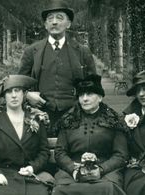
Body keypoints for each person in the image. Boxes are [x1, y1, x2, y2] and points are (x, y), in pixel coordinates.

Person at [44, 74, 128, 195]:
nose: (85, 98)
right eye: (81, 94)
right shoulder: (68, 119)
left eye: (90, 94)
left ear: (100, 96)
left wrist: (102, 169)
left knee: (107, 190)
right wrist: (73, 168)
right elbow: (60, 152)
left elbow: (121, 155)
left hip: (106, 169)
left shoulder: (114, 120)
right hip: (72, 169)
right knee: (61, 192)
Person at [18, 0, 96, 135]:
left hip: (75, 117)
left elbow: (94, 87)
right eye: (50, 19)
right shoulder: (32, 51)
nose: (54, 22)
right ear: (45, 24)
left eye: (59, 18)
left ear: (68, 24)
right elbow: (18, 85)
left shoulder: (82, 52)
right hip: (40, 117)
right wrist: (27, 95)